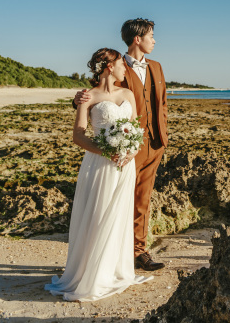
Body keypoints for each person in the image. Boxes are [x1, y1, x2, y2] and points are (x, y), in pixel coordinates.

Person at [46, 48, 152, 302]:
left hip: (125, 164)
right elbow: (79, 135)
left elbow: (137, 128)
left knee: (118, 216)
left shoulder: (127, 93)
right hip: (100, 164)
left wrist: (132, 151)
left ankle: (116, 269)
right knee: (98, 214)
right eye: (121, 65)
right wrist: (105, 152)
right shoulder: (88, 96)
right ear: (109, 66)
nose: (125, 69)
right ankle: (93, 274)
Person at [73, 18, 168, 271]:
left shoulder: (157, 67)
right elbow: (101, 95)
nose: (154, 40)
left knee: (143, 199)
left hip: (154, 143)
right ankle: (113, 254)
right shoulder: (117, 66)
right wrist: (77, 99)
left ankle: (139, 251)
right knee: (117, 199)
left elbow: (162, 103)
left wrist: (163, 134)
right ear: (138, 39)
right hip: (123, 145)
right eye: (151, 36)